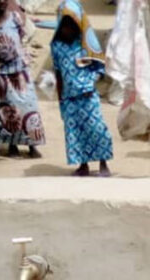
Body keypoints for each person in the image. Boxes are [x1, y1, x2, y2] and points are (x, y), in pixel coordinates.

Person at [51, 0, 112, 177]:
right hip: (69, 98)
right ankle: (83, 165)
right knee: (74, 132)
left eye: (72, 26)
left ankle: (103, 164)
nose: (67, 30)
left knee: (97, 128)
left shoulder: (86, 44)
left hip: (88, 95)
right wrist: (60, 98)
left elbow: (100, 67)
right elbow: (58, 73)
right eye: (64, 26)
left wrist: (91, 80)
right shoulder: (56, 46)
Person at [0, 0, 45, 158]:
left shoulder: (15, 16)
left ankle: (32, 146)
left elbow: (22, 36)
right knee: (7, 109)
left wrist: (18, 55)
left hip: (20, 70)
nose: (2, 1)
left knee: (29, 106)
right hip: (2, 72)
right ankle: (12, 145)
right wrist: (0, 57)